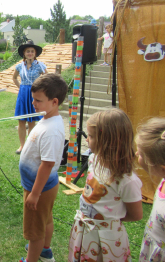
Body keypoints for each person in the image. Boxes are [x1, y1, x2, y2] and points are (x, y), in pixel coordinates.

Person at [68, 109, 143, 262]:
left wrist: (107, 220)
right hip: (84, 228)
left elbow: (136, 214)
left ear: (107, 141)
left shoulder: (126, 180)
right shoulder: (94, 159)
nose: (87, 139)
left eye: (91, 136)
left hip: (107, 237)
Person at [18, 73, 67, 262]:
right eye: (33, 99)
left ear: (54, 102)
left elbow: (47, 165)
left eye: (38, 100)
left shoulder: (52, 131)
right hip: (42, 187)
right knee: (45, 219)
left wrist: (35, 194)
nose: (33, 103)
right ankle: (45, 250)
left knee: (34, 231)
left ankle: (33, 257)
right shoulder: (48, 118)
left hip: (38, 188)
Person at [135, 117, 165, 261]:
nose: (136, 154)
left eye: (140, 154)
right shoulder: (163, 180)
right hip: (152, 248)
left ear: (161, 167)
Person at [13, 40, 47, 155]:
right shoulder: (19, 66)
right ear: (24, 53)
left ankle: (30, 146)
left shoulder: (40, 65)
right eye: (28, 51)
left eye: (32, 51)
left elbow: (47, 78)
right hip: (23, 94)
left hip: (34, 94)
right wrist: (21, 88)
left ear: (35, 53)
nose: (30, 53)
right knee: (21, 121)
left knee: (31, 121)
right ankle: (22, 146)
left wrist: (40, 89)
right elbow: (14, 78)